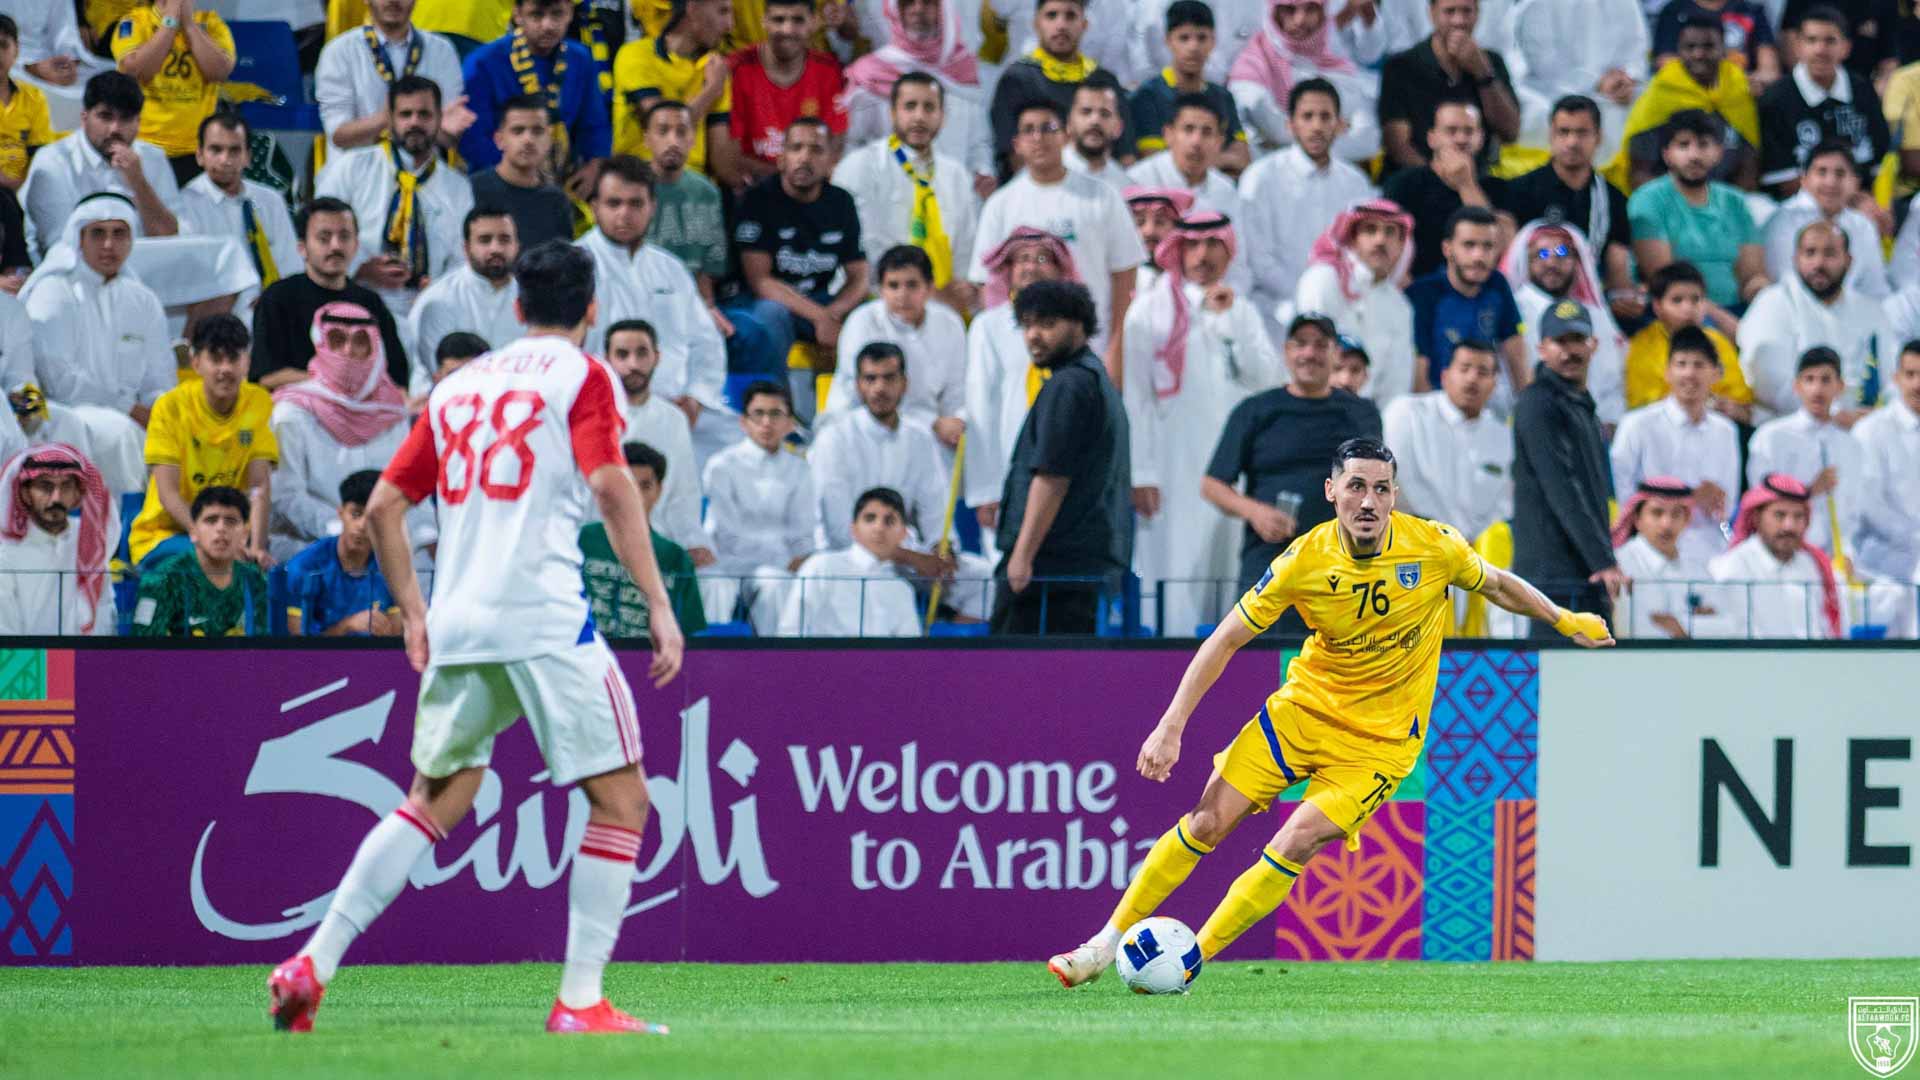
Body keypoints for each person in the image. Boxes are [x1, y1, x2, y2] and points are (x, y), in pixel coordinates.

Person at [267, 239, 685, 1036]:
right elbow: (609, 483)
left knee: (434, 797)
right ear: (591, 310)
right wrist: (658, 605)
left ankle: (310, 964)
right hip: (544, 614)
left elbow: (387, 505)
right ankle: (581, 1001)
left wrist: (416, 613)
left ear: (517, 308)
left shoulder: (459, 387)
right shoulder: (584, 375)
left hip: (460, 620)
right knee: (623, 800)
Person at [1044, 436, 1611, 987]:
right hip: (1303, 713)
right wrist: (1172, 725)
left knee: (1296, 840)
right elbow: (1224, 640)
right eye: (1357, 486)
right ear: (1331, 491)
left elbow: (1497, 584)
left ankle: (1191, 959)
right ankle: (1102, 944)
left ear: (1394, 494)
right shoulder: (1302, 561)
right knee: (1206, 823)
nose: (1370, 501)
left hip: (1379, 745)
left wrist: (1565, 620)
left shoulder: (1433, 547)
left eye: (1382, 488)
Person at [1125, 210, 1283, 635]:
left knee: (1230, 569)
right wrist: (1140, 472)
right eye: (1192, 245)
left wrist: (1229, 322)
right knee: (1174, 570)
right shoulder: (1147, 313)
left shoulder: (1243, 311)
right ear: (1175, 250)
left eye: (1213, 244)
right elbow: (1135, 398)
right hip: (1171, 468)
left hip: (1232, 470)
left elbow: (1268, 380)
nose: (1202, 255)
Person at [1204, 312, 1382, 598]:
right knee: (1263, 643)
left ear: (1334, 353)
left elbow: (1377, 482)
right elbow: (1212, 484)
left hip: (1343, 562)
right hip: (1270, 562)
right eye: (1301, 343)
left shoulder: (1362, 414)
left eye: (1320, 345)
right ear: (1287, 351)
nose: (1309, 353)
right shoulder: (1254, 410)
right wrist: (1255, 512)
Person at [969, 100, 1145, 379]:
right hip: (1022, 355)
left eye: (1048, 128)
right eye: (1029, 130)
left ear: (1065, 135)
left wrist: (1115, 350)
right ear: (1017, 143)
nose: (1038, 137)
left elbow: (1125, 276)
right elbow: (988, 285)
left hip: (1091, 348)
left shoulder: (1102, 197)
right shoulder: (1001, 205)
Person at [993, 279, 1130, 634]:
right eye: (1027, 325)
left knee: (1015, 677)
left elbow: (1052, 476)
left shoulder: (1068, 386)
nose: (1034, 335)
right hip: (1078, 563)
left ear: (1080, 326)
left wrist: (1022, 556)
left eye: (1047, 324)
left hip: (1048, 569)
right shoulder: (1096, 379)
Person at [577, 156, 732, 460]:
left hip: (678, 411)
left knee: (742, 450)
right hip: (602, 411)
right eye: (614, 203)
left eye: (636, 204)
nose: (625, 214)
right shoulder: (574, 265)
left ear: (652, 208)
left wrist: (696, 399)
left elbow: (706, 343)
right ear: (594, 207)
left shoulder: (671, 269)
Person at [726, 119, 868, 410]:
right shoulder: (758, 200)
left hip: (819, 301)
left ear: (830, 160)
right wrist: (820, 316)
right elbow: (761, 282)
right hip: (760, 301)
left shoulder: (841, 202)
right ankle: (776, 413)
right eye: (796, 148)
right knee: (771, 316)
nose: (805, 157)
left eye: (816, 149)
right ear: (781, 159)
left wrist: (835, 312)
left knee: (870, 314)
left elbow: (859, 276)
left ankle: (852, 413)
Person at [315, 75, 475, 322]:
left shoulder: (458, 186)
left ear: (440, 120)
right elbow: (318, 230)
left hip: (431, 307)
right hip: (356, 298)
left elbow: (463, 257)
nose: (415, 122)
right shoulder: (352, 167)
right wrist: (360, 268)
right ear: (389, 119)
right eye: (405, 114)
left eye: (424, 114)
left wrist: (440, 286)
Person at [268, 304, 418, 565]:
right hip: (312, 543)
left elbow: (407, 489)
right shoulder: (292, 411)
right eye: (337, 340)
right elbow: (286, 497)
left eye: (360, 341)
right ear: (321, 344)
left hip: (384, 539)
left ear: (374, 346)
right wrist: (343, 529)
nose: (348, 351)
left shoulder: (392, 412)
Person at [20, 193, 172, 446]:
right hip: (64, 415)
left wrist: (161, 411)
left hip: (133, 417)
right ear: (79, 239)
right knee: (119, 432)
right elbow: (60, 382)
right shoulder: (53, 291)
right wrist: (130, 409)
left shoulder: (143, 299)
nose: (109, 244)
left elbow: (159, 377)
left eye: (119, 233)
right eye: (98, 233)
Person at [1509, 298, 1623, 629]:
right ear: (1542, 348)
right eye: (1560, 341)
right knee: (1560, 674)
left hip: (1582, 572)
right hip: (1553, 578)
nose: (1569, 351)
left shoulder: (1581, 405)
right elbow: (1562, 487)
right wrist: (1602, 559)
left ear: (1594, 345)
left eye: (1577, 340)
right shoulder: (1538, 403)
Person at [129, 313, 275, 568]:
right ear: (196, 363)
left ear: (247, 363)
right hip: (165, 535)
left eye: (233, 358)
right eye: (216, 359)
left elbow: (259, 487)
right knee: (215, 563)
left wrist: (256, 548)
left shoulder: (259, 402)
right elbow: (168, 492)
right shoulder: (170, 407)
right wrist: (205, 536)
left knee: (262, 571)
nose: (225, 369)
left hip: (230, 534)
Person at [832, 73, 982, 317]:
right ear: (892, 113)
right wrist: (919, 290)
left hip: (943, 300)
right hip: (875, 299)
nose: (919, 117)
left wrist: (963, 287)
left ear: (943, 117)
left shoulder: (956, 174)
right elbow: (864, 247)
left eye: (929, 107)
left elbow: (966, 243)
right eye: (910, 106)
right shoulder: (860, 166)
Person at [963, 226, 1076, 535]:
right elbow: (980, 407)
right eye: (1022, 259)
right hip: (1007, 465)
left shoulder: (1076, 328)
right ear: (1008, 271)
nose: (1031, 266)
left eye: (1042, 258)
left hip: (1068, 468)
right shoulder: (988, 327)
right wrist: (985, 489)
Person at [1238, 78, 1375, 322]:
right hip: (1276, 311)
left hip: (1342, 309)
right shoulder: (1260, 178)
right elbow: (1258, 259)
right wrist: (1308, 298)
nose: (1317, 126)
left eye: (1325, 117)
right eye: (1307, 116)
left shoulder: (1356, 184)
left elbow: (1360, 254)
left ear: (1340, 125)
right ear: (1290, 124)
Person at [251, 198, 411, 391]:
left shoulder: (370, 303)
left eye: (344, 237)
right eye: (324, 238)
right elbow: (266, 376)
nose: (335, 246)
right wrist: (334, 385)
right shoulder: (278, 298)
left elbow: (397, 380)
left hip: (363, 412)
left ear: (356, 245)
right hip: (298, 408)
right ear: (302, 248)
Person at [1610, 325, 1740, 563]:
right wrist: (1689, 498)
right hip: (1647, 548)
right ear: (1667, 372)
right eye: (1681, 364)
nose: (1689, 373)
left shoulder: (1726, 431)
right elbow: (1625, 496)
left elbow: (1726, 504)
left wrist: (1713, 500)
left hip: (1708, 548)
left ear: (1715, 374)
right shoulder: (1637, 424)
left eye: (1699, 365)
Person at [1738, 220, 1888, 421]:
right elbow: (1769, 384)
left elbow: (1894, 377)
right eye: (1810, 253)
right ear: (1795, 259)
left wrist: (1876, 419)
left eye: (1830, 254)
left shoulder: (1871, 311)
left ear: (1848, 260)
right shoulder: (1772, 303)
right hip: (1788, 425)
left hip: (1864, 425)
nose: (1819, 264)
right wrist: (1834, 415)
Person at [840, 0, 994, 193]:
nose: (918, 9)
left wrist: (982, 171)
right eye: (909, 3)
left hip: (950, 200)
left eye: (928, 3)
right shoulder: (872, 73)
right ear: (896, 11)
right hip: (886, 198)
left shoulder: (963, 69)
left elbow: (979, 143)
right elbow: (853, 143)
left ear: (944, 9)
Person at [1497, 96, 1636, 309]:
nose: (1572, 142)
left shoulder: (1614, 199)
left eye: (1582, 133)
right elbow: (1511, 261)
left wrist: (1624, 299)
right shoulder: (1518, 191)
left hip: (1590, 304)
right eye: (1564, 132)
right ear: (1551, 135)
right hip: (1528, 300)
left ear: (1598, 138)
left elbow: (1617, 269)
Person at [21, 71, 178, 257]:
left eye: (126, 118)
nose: (115, 129)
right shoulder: (53, 161)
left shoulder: (153, 158)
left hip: (144, 271)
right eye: (105, 117)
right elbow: (59, 248)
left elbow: (169, 238)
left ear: (139, 122)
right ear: (84, 117)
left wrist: (138, 182)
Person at [1628, 110, 1769, 312]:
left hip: (1737, 309)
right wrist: (1734, 329)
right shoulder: (1648, 200)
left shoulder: (1735, 201)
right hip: (1679, 312)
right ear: (1666, 154)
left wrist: (1765, 301)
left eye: (1703, 144)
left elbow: (1752, 276)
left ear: (1719, 153)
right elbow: (1667, 284)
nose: (1694, 155)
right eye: (1683, 145)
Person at [702, 380, 815, 623]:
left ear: (790, 423)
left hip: (777, 571)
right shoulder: (722, 466)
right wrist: (785, 559)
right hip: (727, 565)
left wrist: (799, 560)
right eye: (758, 414)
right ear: (743, 422)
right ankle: (709, 659)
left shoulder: (801, 470)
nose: (766, 423)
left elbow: (803, 533)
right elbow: (727, 536)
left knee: (777, 583)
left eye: (775, 414)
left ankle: (778, 660)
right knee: (714, 584)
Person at [602, 319, 714, 566]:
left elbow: (684, 494)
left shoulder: (673, 419)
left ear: (657, 357)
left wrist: (693, 541)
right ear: (607, 361)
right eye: (622, 355)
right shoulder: (591, 416)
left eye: (642, 353)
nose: (633, 364)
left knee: (712, 579)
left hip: (662, 539)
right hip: (601, 538)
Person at [1380, 339, 1512, 547]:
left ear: (1495, 384)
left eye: (1483, 372)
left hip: (1477, 556)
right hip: (1413, 543)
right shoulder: (1407, 413)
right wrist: (1443, 534)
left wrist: (1474, 541)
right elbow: (1398, 480)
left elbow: (1505, 501)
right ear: (1444, 375)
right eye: (1464, 368)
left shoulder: (1504, 436)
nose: (1472, 379)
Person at [460, 0, 612, 178]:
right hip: (498, 180)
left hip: (564, 179)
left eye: (557, 14)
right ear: (517, 14)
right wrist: (523, 180)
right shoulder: (483, 62)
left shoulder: (580, 58)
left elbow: (595, 125)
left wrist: (594, 167)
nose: (547, 25)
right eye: (536, 15)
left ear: (570, 13)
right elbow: (474, 139)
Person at [175, 112, 300, 325]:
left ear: (248, 156)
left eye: (235, 150)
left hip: (271, 314)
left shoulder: (270, 200)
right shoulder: (183, 204)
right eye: (216, 150)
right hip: (214, 318)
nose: (226, 160)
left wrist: (273, 301)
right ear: (199, 155)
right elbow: (193, 276)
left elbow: (291, 265)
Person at [1500, 219, 1627, 425]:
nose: (1551, 262)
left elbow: (1612, 382)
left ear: (1577, 261)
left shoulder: (1597, 316)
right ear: (1527, 261)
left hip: (1591, 426)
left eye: (1561, 253)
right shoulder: (1511, 313)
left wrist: (1608, 423)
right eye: (1541, 254)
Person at [1293, 199, 1416, 407]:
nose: (1380, 240)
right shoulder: (1323, 280)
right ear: (1353, 238)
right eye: (1370, 230)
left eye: (1389, 232)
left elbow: (1396, 386)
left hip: (1366, 421)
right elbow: (1310, 360)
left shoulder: (1400, 307)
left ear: (1401, 244)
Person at [1757, 6, 1889, 197]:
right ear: (1798, 46)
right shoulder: (1775, 100)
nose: (1820, 50)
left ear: (1846, 48)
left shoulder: (1863, 90)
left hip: (1862, 201)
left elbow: (1880, 164)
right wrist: (1847, 202)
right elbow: (1783, 181)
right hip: (1797, 205)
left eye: (1830, 41)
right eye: (1812, 40)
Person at [579, 441, 709, 636]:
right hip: (585, 653)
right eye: (628, 486)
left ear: (659, 491)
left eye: (645, 486)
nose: (636, 496)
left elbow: (690, 631)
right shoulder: (581, 540)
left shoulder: (675, 557)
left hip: (649, 659)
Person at [1621, 12, 1761, 191]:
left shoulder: (1738, 87)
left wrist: (1732, 206)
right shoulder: (1663, 89)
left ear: (1724, 49)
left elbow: (1749, 163)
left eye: (1708, 46)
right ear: (1679, 50)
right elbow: (1640, 171)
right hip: (1669, 202)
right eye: (1690, 47)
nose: (1698, 54)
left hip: (1727, 200)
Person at [1746, 346, 1865, 556]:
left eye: (1826, 380)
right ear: (1796, 386)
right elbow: (1760, 501)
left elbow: (1854, 511)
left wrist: (1846, 553)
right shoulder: (1771, 437)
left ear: (1840, 387)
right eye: (1809, 379)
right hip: (1782, 550)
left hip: (1838, 556)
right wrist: (1810, 491)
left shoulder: (1852, 445)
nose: (1817, 389)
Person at [988, 0, 1130, 175]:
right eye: (1051, 15)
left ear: (1084, 24)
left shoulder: (1106, 81)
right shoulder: (1016, 80)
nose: (1061, 25)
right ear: (1036, 23)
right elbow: (1014, 156)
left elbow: (1126, 154)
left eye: (1070, 16)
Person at [1405, 206, 1527, 410]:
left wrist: (1527, 409)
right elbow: (1419, 367)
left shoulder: (1497, 284)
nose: (1479, 256)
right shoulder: (1422, 294)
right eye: (1469, 245)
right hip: (1434, 405)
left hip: (1484, 405)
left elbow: (1516, 353)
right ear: (1447, 249)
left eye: (1488, 246)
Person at [1376, 0, 1519, 174]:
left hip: (1475, 180)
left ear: (1478, 13)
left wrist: (1483, 74)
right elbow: (1398, 146)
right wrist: (1442, 180)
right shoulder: (1401, 67)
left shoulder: (1491, 63)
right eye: (1449, 11)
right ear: (1431, 13)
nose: (1458, 21)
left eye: (1467, 11)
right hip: (1415, 179)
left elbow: (1510, 133)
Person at [1228, 0, 1380, 162]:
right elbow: (1275, 130)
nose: (1300, 20)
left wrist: (1301, 143)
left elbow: (1368, 140)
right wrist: (1334, 134)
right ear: (1274, 12)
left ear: (1322, 13)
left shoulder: (1336, 64)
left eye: (1310, 9)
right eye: (1289, 10)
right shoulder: (1252, 66)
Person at [315, 0, 469, 151]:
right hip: (357, 172)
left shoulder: (442, 50)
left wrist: (414, 121)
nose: (393, 1)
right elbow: (338, 135)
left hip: (424, 171)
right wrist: (393, 116)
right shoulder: (338, 52)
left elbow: (451, 135)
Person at [111, 0, 234, 184]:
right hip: (143, 147)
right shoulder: (134, 22)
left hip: (197, 150)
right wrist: (169, 22)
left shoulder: (212, 23)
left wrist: (190, 26)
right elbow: (137, 72)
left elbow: (219, 72)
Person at [613, 0, 736, 184]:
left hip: (693, 186)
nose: (730, 25)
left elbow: (722, 162)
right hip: (638, 180)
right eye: (722, 12)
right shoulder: (636, 55)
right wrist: (711, 90)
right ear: (693, 8)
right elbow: (663, 127)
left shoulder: (713, 69)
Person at [1381, 101, 1508, 279]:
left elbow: (1501, 250)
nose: (1461, 139)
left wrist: (1466, 185)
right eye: (1451, 131)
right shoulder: (1403, 184)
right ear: (1432, 138)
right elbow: (1387, 242)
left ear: (1480, 138)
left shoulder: (1497, 188)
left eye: (1469, 131)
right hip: (1416, 287)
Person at [1708, 472, 1843, 638]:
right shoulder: (1731, 567)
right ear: (1757, 518)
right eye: (1780, 515)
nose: (1789, 526)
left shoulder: (1811, 565)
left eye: (1798, 516)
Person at [1506, 0, 1646, 159]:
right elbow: (1543, 63)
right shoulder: (1536, 4)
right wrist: (1596, 83)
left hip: (1617, 92)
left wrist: (1628, 77)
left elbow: (1637, 49)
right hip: (1549, 91)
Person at [0, 443, 116, 635]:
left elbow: (104, 613)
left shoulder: (91, 542)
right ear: (25, 494)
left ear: (78, 493)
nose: (56, 498)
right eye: (46, 487)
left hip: (83, 659)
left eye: (66, 487)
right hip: (24, 661)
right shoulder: (6, 550)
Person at [778, 485, 925, 637]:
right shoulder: (823, 566)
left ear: (903, 533)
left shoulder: (902, 590)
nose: (879, 528)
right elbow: (790, 631)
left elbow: (909, 653)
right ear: (853, 529)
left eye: (889, 521)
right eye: (870, 519)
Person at [726, 0, 846, 182]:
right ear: (764, 21)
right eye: (778, 20)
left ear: (813, 22)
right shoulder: (735, 69)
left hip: (810, 186)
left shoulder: (830, 71)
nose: (787, 30)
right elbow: (730, 155)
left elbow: (835, 144)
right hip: (753, 189)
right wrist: (788, 180)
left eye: (798, 20)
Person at [408, 207, 522, 394]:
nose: (496, 248)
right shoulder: (437, 300)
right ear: (466, 248)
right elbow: (439, 373)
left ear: (517, 246)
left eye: (504, 239)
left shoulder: (532, 300)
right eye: (485, 240)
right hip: (449, 404)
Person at [130, 485, 270, 636]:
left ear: (244, 535)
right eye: (211, 520)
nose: (221, 528)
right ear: (193, 532)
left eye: (231, 521)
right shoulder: (162, 580)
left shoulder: (255, 580)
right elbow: (143, 650)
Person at [1130, 0, 1250, 174]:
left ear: (1213, 41)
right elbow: (1153, 160)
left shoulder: (1223, 96)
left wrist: (1188, 158)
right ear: (1168, 40)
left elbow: (1242, 158)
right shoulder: (1147, 96)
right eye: (1184, 38)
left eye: (1202, 38)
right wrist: (1220, 159)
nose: (1193, 47)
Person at [1624, 260, 1754, 419]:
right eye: (1677, 300)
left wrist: (1733, 409)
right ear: (1657, 306)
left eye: (1696, 299)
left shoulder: (1718, 342)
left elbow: (1745, 407)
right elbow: (1643, 408)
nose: (1688, 308)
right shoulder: (1643, 346)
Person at [1761, 139, 1888, 298]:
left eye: (1840, 173)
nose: (1830, 182)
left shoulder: (1862, 224)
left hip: (1854, 315)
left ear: (1856, 182)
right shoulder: (1783, 221)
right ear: (1804, 179)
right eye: (1821, 172)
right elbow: (1785, 288)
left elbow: (1876, 290)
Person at [285, 469, 399, 637]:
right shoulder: (303, 567)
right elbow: (296, 644)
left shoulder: (391, 567)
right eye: (356, 514)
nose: (362, 526)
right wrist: (347, 626)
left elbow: (397, 630)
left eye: (372, 518)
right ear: (341, 513)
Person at [642, 100, 730, 317]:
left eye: (682, 132)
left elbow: (708, 267)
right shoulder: (629, 188)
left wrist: (706, 311)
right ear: (647, 139)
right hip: (641, 298)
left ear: (692, 139)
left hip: (690, 301)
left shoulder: (706, 192)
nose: (673, 141)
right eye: (663, 131)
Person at [1610, 476, 1721, 639]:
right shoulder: (1620, 565)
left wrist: (1679, 625)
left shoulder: (1697, 567)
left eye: (1676, 514)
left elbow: (1729, 626)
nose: (1666, 524)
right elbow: (1627, 630)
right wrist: (1696, 626)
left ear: (1686, 520)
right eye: (1657, 513)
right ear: (1637, 519)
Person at [1849, 343, 1920, 586]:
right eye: (1910, 375)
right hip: (1883, 565)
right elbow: (1869, 505)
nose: (1917, 384)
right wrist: (1914, 538)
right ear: (1896, 378)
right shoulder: (1871, 431)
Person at [467, 93, 574, 251]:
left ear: (550, 140)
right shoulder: (470, 191)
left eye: (537, 131)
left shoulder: (557, 201)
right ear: (499, 140)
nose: (528, 140)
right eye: (518, 131)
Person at [1652, 0, 1782, 86]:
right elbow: (1666, 65)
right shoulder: (1674, 11)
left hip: (1742, 96)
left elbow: (1769, 71)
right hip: (1689, 96)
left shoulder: (1751, 11)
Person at [0, 15, 56, 192]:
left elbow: (40, 156)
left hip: (23, 193)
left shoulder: (33, 97)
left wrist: (25, 187)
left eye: (3, 45)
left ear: (16, 50)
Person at [1063, 74, 1131, 189]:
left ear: (1118, 127)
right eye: (1086, 111)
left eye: (1105, 113)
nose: (1095, 121)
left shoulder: (1126, 186)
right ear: (1069, 123)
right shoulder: (1045, 175)